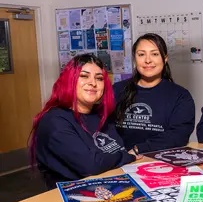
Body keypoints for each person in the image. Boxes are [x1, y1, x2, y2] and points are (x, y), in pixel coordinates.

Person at [29, 54, 139, 190]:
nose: (93, 83)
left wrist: (122, 156)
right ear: (70, 80)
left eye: (99, 78)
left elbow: (118, 150)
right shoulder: (54, 121)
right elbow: (91, 165)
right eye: (84, 76)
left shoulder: (101, 116)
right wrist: (126, 156)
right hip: (72, 197)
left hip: (111, 185)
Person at [114, 33, 195, 154]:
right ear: (135, 58)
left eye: (155, 54)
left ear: (165, 58)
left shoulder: (180, 96)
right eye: (141, 54)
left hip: (161, 162)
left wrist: (139, 149)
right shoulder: (117, 90)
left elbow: (178, 135)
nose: (147, 60)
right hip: (119, 161)